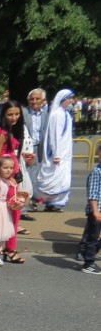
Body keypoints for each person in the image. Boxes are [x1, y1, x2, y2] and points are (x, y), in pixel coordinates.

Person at [37, 89, 76, 211]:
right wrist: (56, 154)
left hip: (64, 153)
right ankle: (46, 201)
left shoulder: (64, 113)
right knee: (53, 180)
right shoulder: (57, 114)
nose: (71, 101)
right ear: (62, 99)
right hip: (58, 155)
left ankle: (54, 204)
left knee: (61, 180)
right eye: (69, 98)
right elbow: (55, 136)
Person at [22, 89, 48, 215]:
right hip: (25, 149)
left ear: (43, 100)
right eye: (32, 99)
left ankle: (26, 205)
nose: (34, 101)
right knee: (24, 177)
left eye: (37, 99)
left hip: (38, 149)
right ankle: (22, 209)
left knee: (33, 179)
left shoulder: (45, 114)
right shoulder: (24, 113)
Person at [78, 143, 101, 275]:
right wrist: (95, 211)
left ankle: (86, 253)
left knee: (91, 237)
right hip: (96, 211)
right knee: (93, 236)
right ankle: (88, 263)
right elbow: (92, 195)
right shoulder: (96, 173)